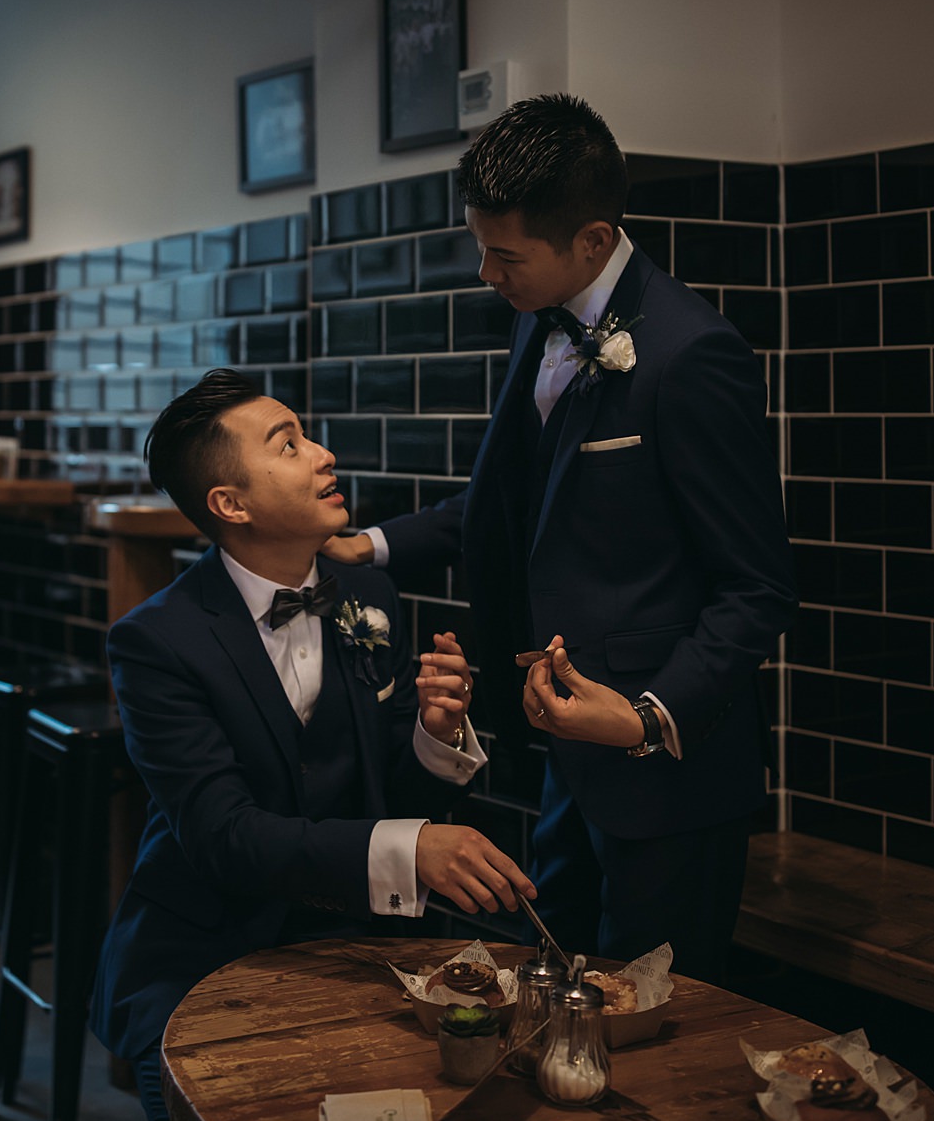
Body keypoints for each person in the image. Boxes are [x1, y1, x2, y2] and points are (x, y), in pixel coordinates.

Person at [328, 94, 797, 982]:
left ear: (590, 240)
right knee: (560, 1001)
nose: (483, 271)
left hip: (672, 778)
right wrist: (374, 547)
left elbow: (758, 587)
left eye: (503, 254)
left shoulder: (693, 354)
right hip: (568, 760)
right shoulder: (536, 319)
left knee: (656, 1027)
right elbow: (511, 502)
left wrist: (648, 717)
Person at [89, 369, 537, 1121]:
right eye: (288, 445)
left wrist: (434, 734)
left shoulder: (367, 593)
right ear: (231, 504)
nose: (324, 455)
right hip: (202, 952)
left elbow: (390, 793)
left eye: (308, 435)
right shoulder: (157, 640)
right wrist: (413, 849)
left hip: (354, 947)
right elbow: (223, 838)